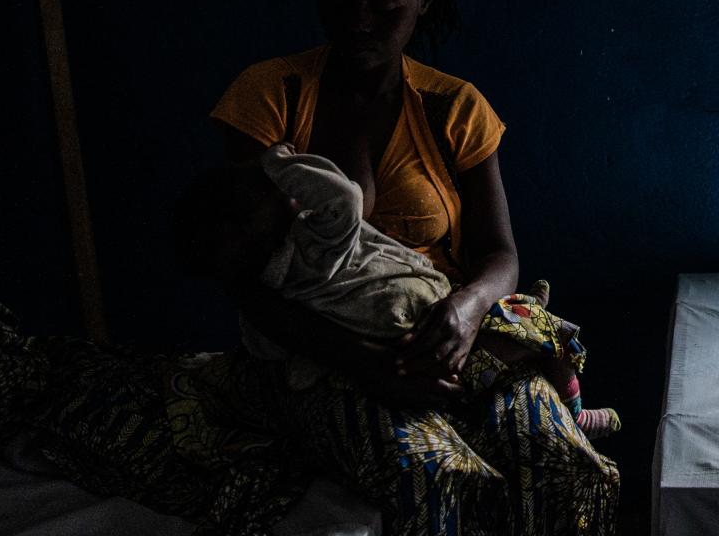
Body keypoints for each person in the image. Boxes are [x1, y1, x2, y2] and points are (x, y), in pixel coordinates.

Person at [204, 0, 643, 536]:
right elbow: (247, 279)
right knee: (434, 478)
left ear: (424, 3)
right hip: (320, 357)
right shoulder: (269, 100)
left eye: (386, 3)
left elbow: (500, 255)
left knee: (557, 464)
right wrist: (375, 373)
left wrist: (462, 308)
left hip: (444, 337)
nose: (359, 18)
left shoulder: (453, 108)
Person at [173, 143, 618, 435]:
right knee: (542, 337)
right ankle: (576, 411)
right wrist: (278, 164)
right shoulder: (318, 243)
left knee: (512, 341)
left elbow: (272, 351)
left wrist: (470, 304)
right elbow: (344, 198)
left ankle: (520, 323)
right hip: (427, 322)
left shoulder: (273, 283)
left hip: (446, 316)